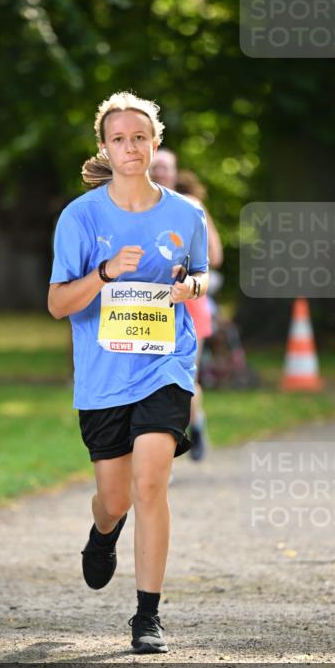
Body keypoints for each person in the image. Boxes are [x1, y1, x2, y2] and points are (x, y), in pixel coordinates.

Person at [48, 92, 209, 654]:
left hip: (166, 366)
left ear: (155, 143)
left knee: (150, 483)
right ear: (105, 148)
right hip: (103, 376)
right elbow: (58, 304)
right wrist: (105, 273)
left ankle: (148, 616)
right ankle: (103, 530)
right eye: (119, 139)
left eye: (140, 137)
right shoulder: (81, 216)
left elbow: (200, 275)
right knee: (115, 499)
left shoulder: (186, 214)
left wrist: (190, 288)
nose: (131, 147)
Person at [150, 150, 223, 460]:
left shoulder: (191, 206)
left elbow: (215, 257)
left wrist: (186, 266)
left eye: (165, 168)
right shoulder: (137, 206)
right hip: (150, 305)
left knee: (185, 376)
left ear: (175, 172)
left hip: (189, 304)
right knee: (153, 378)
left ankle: (197, 424)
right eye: (155, 167)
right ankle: (158, 446)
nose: (160, 172)